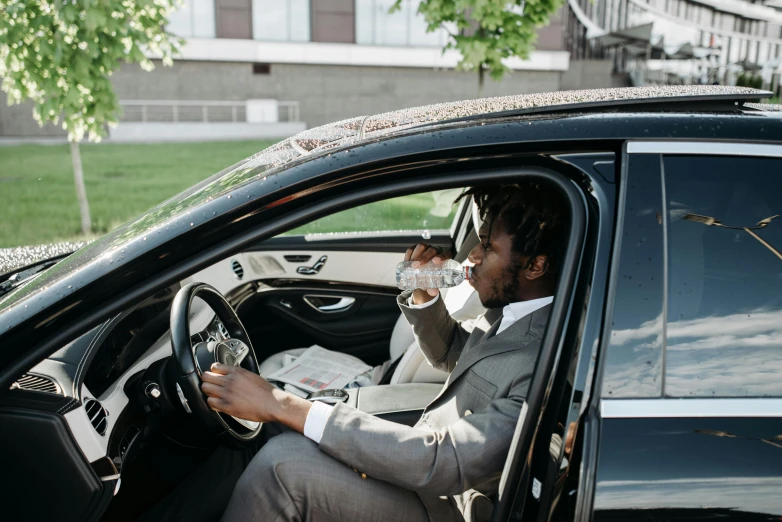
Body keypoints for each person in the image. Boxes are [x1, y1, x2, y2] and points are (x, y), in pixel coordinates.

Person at [198, 182, 566, 522]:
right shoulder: (514, 312)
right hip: (429, 474)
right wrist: (425, 295)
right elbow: (458, 356)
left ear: (536, 265)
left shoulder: (543, 355)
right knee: (279, 434)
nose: (472, 255)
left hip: (450, 506)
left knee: (279, 470)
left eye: (487, 246)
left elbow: (442, 462)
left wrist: (282, 403)